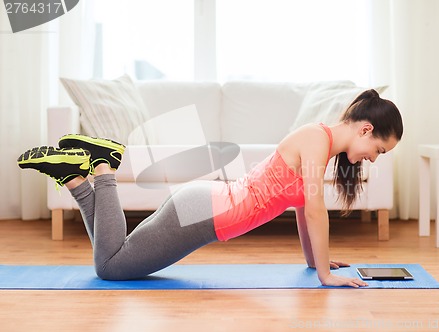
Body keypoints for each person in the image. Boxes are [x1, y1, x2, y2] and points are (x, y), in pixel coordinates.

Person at [17, 89, 403, 287]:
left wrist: (314, 262)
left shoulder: (317, 141)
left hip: (202, 206)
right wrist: (325, 277)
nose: (374, 157)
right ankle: (103, 168)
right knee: (110, 267)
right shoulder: (316, 140)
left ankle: (73, 177)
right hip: (203, 215)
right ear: (365, 128)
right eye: (378, 149)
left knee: (114, 254)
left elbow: (302, 209)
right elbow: (317, 210)